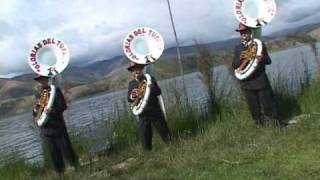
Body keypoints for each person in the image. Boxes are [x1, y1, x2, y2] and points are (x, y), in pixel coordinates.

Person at [232, 23, 285, 127]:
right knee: (254, 109)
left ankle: (277, 125)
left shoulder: (259, 44)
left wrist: (262, 59)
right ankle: (260, 127)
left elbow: (268, 61)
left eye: (245, 32)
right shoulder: (238, 48)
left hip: (260, 80)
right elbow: (234, 65)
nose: (243, 34)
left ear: (250, 32)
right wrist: (242, 58)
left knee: (268, 105)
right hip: (246, 84)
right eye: (241, 32)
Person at [32, 75, 79, 174]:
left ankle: (77, 168)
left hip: (58, 126)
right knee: (53, 153)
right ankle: (60, 173)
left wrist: (52, 111)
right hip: (46, 129)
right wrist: (35, 116)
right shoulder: (38, 95)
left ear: (47, 79)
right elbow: (36, 110)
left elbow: (63, 106)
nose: (41, 81)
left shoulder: (55, 91)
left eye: (43, 79)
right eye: (39, 80)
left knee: (66, 148)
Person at [127, 61, 171, 151]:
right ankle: (148, 154)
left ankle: (172, 147)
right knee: (144, 135)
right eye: (133, 70)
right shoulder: (131, 84)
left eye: (137, 69)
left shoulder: (150, 78)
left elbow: (159, 92)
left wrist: (152, 88)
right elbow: (129, 98)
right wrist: (133, 95)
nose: (135, 72)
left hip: (154, 110)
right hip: (143, 114)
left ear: (141, 69)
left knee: (164, 131)